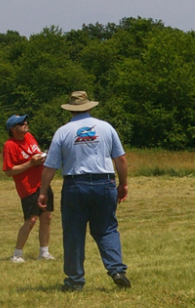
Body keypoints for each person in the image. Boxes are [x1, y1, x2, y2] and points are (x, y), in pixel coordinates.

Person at [38, 91, 130, 292]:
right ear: (89, 107)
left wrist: (43, 191)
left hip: (75, 184)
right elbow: (120, 159)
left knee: (74, 232)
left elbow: (50, 166)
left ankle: (74, 280)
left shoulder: (63, 132)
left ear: (71, 109)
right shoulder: (106, 127)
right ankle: (116, 270)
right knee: (106, 229)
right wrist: (123, 184)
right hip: (105, 182)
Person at [2, 114, 55, 262]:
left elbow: (35, 155)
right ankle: (17, 254)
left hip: (42, 182)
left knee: (47, 217)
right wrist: (30, 164)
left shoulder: (29, 136)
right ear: (13, 129)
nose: (25, 123)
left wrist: (44, 156)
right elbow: (8, 171)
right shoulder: (9, 145)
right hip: (28, 187)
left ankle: (44, 252)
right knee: (31, 219)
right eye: (21, 123)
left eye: (25, 121)